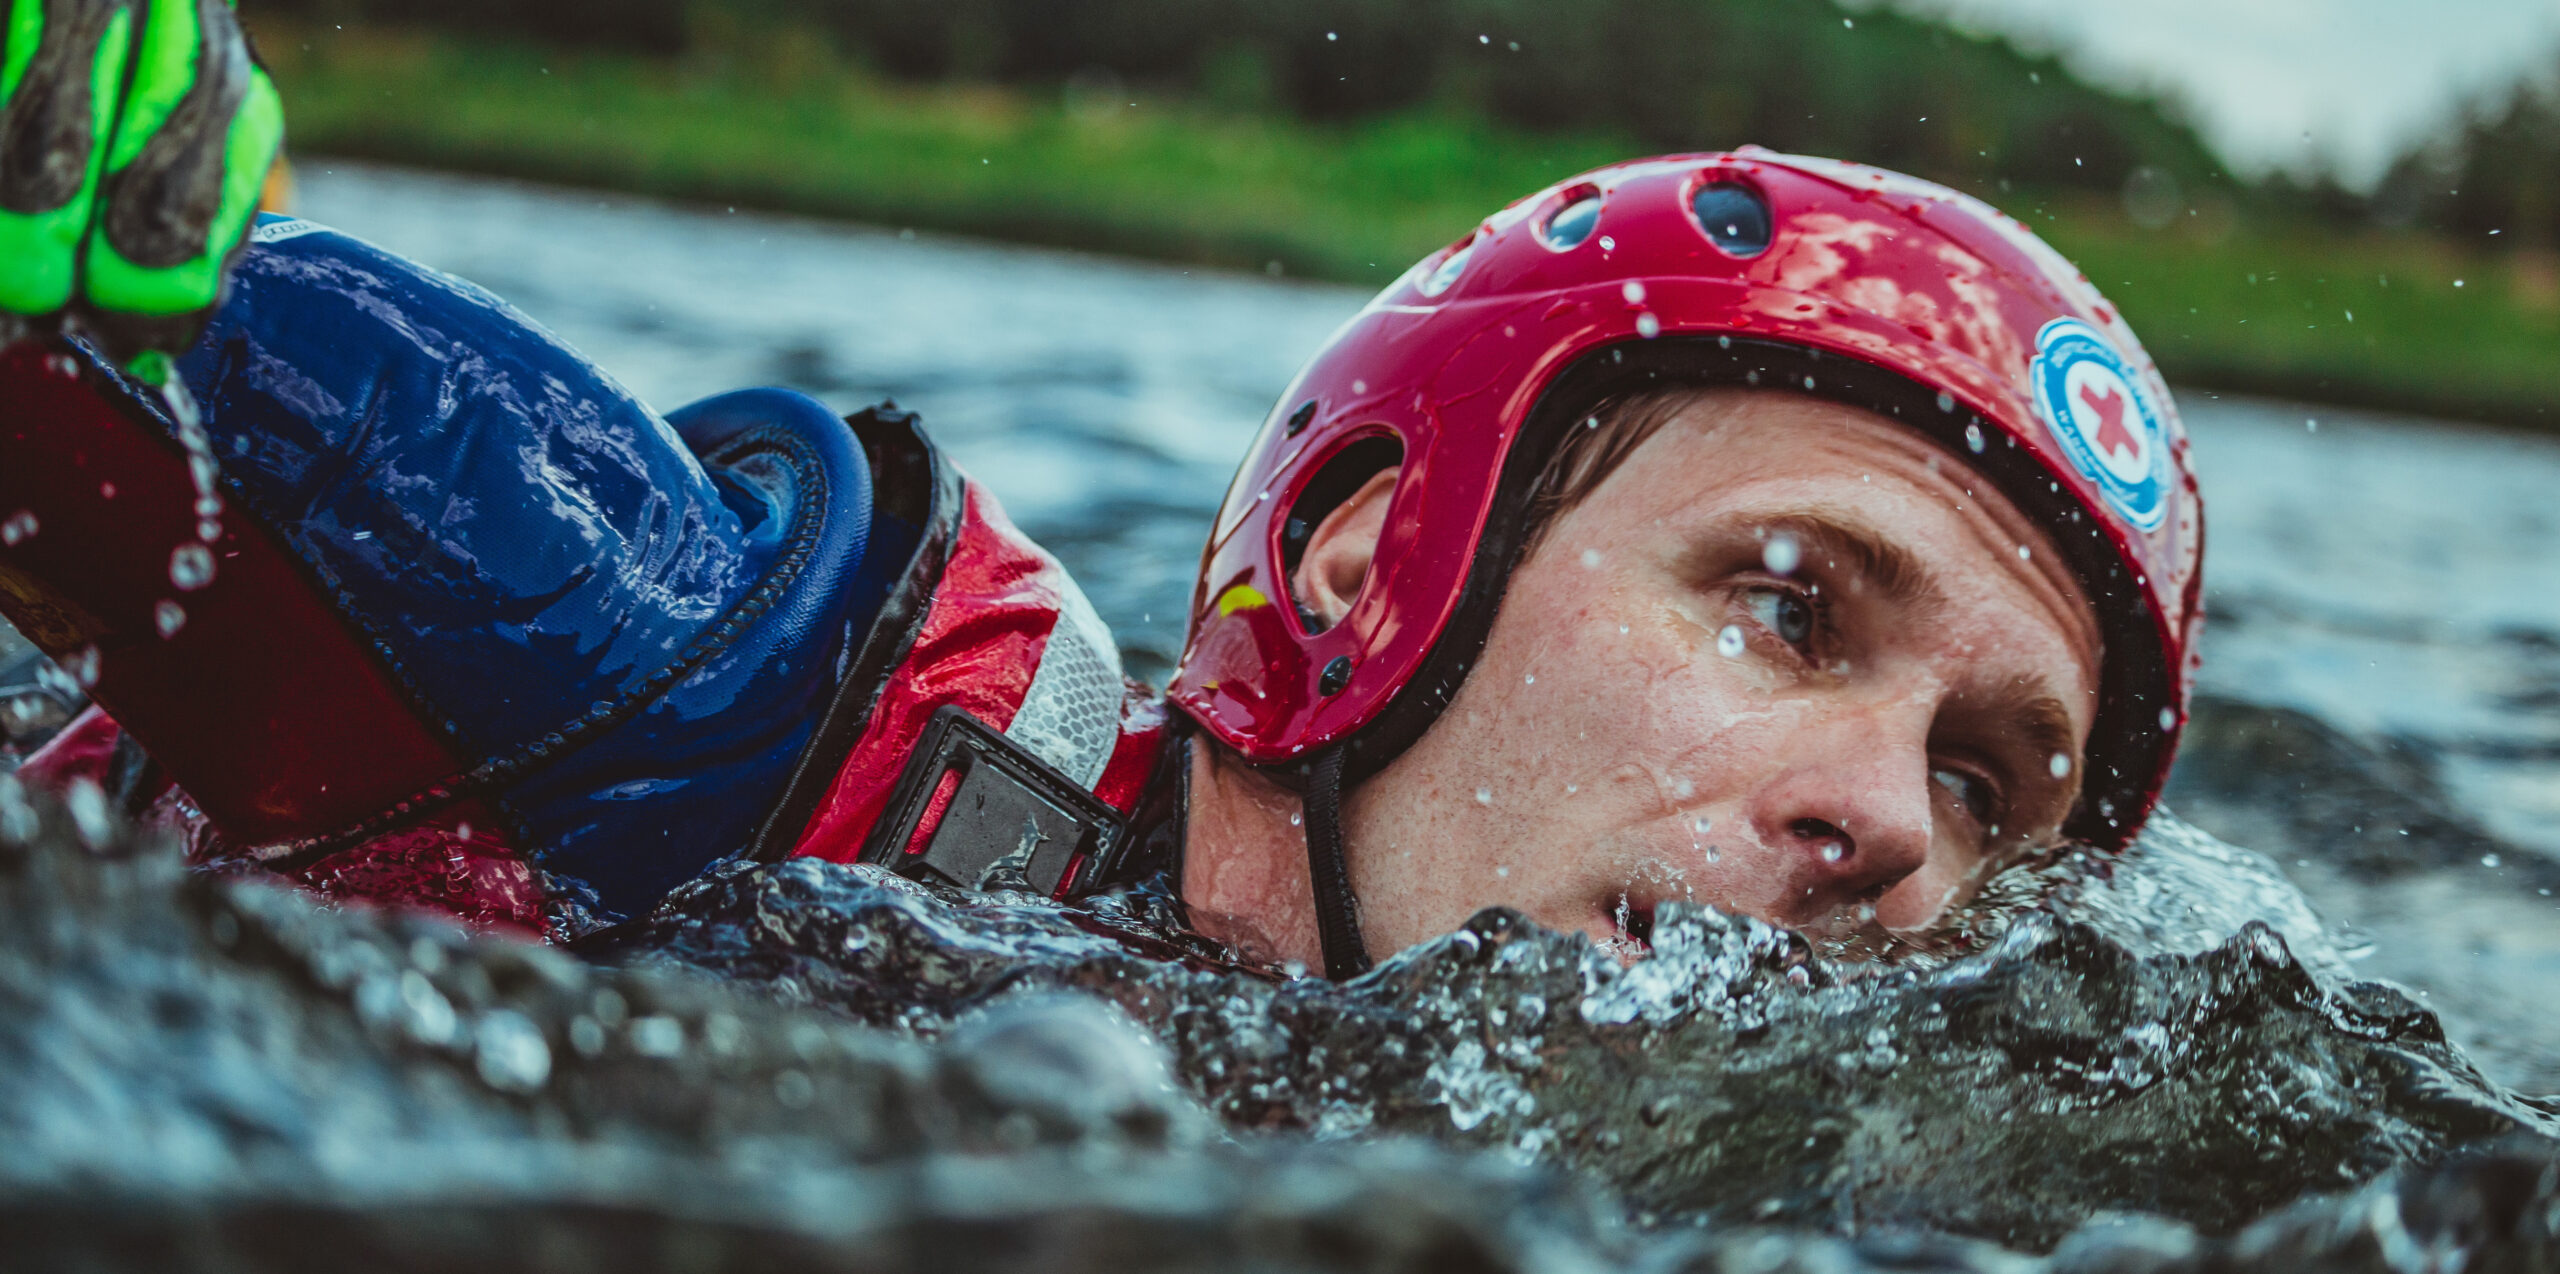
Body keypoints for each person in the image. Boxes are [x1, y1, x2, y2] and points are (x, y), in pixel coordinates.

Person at [0, 7, 2200, 976]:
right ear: (1367, 564)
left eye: (1993, 783)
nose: (1898, 829)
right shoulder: (720, 705)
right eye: (1791, 605)